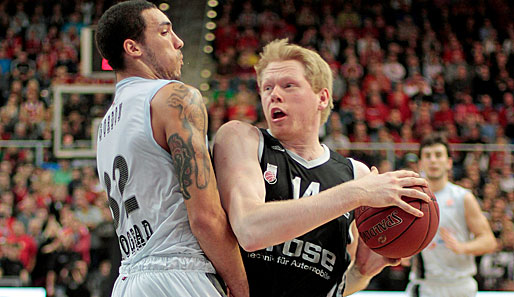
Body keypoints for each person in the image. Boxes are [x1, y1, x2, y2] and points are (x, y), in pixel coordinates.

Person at [213, 38, 430, 297]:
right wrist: (356, 193)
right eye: (266, 88)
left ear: (322, 97)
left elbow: (335, 286)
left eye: (288, 85)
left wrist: (362, 273)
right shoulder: (242, 138)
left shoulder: (354, 174)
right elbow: (250, 230)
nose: (274, 95)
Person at [94, 1, 248, 297]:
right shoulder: (174, 97)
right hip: (178, 274)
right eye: (165, 32)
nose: (179, 41)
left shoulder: (106, 125)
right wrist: (241, 285)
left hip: (128, 278)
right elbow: (205, 217)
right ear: (133, 48)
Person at [406, 133, 497, 297]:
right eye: (428, 156)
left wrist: (463, 247)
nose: (433, 160)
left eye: (438, 155)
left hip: (460, 285)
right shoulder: (411, 199)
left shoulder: (463, 197)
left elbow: (489, 241)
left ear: (449, 163)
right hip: (426, 286)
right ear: (420, 163)